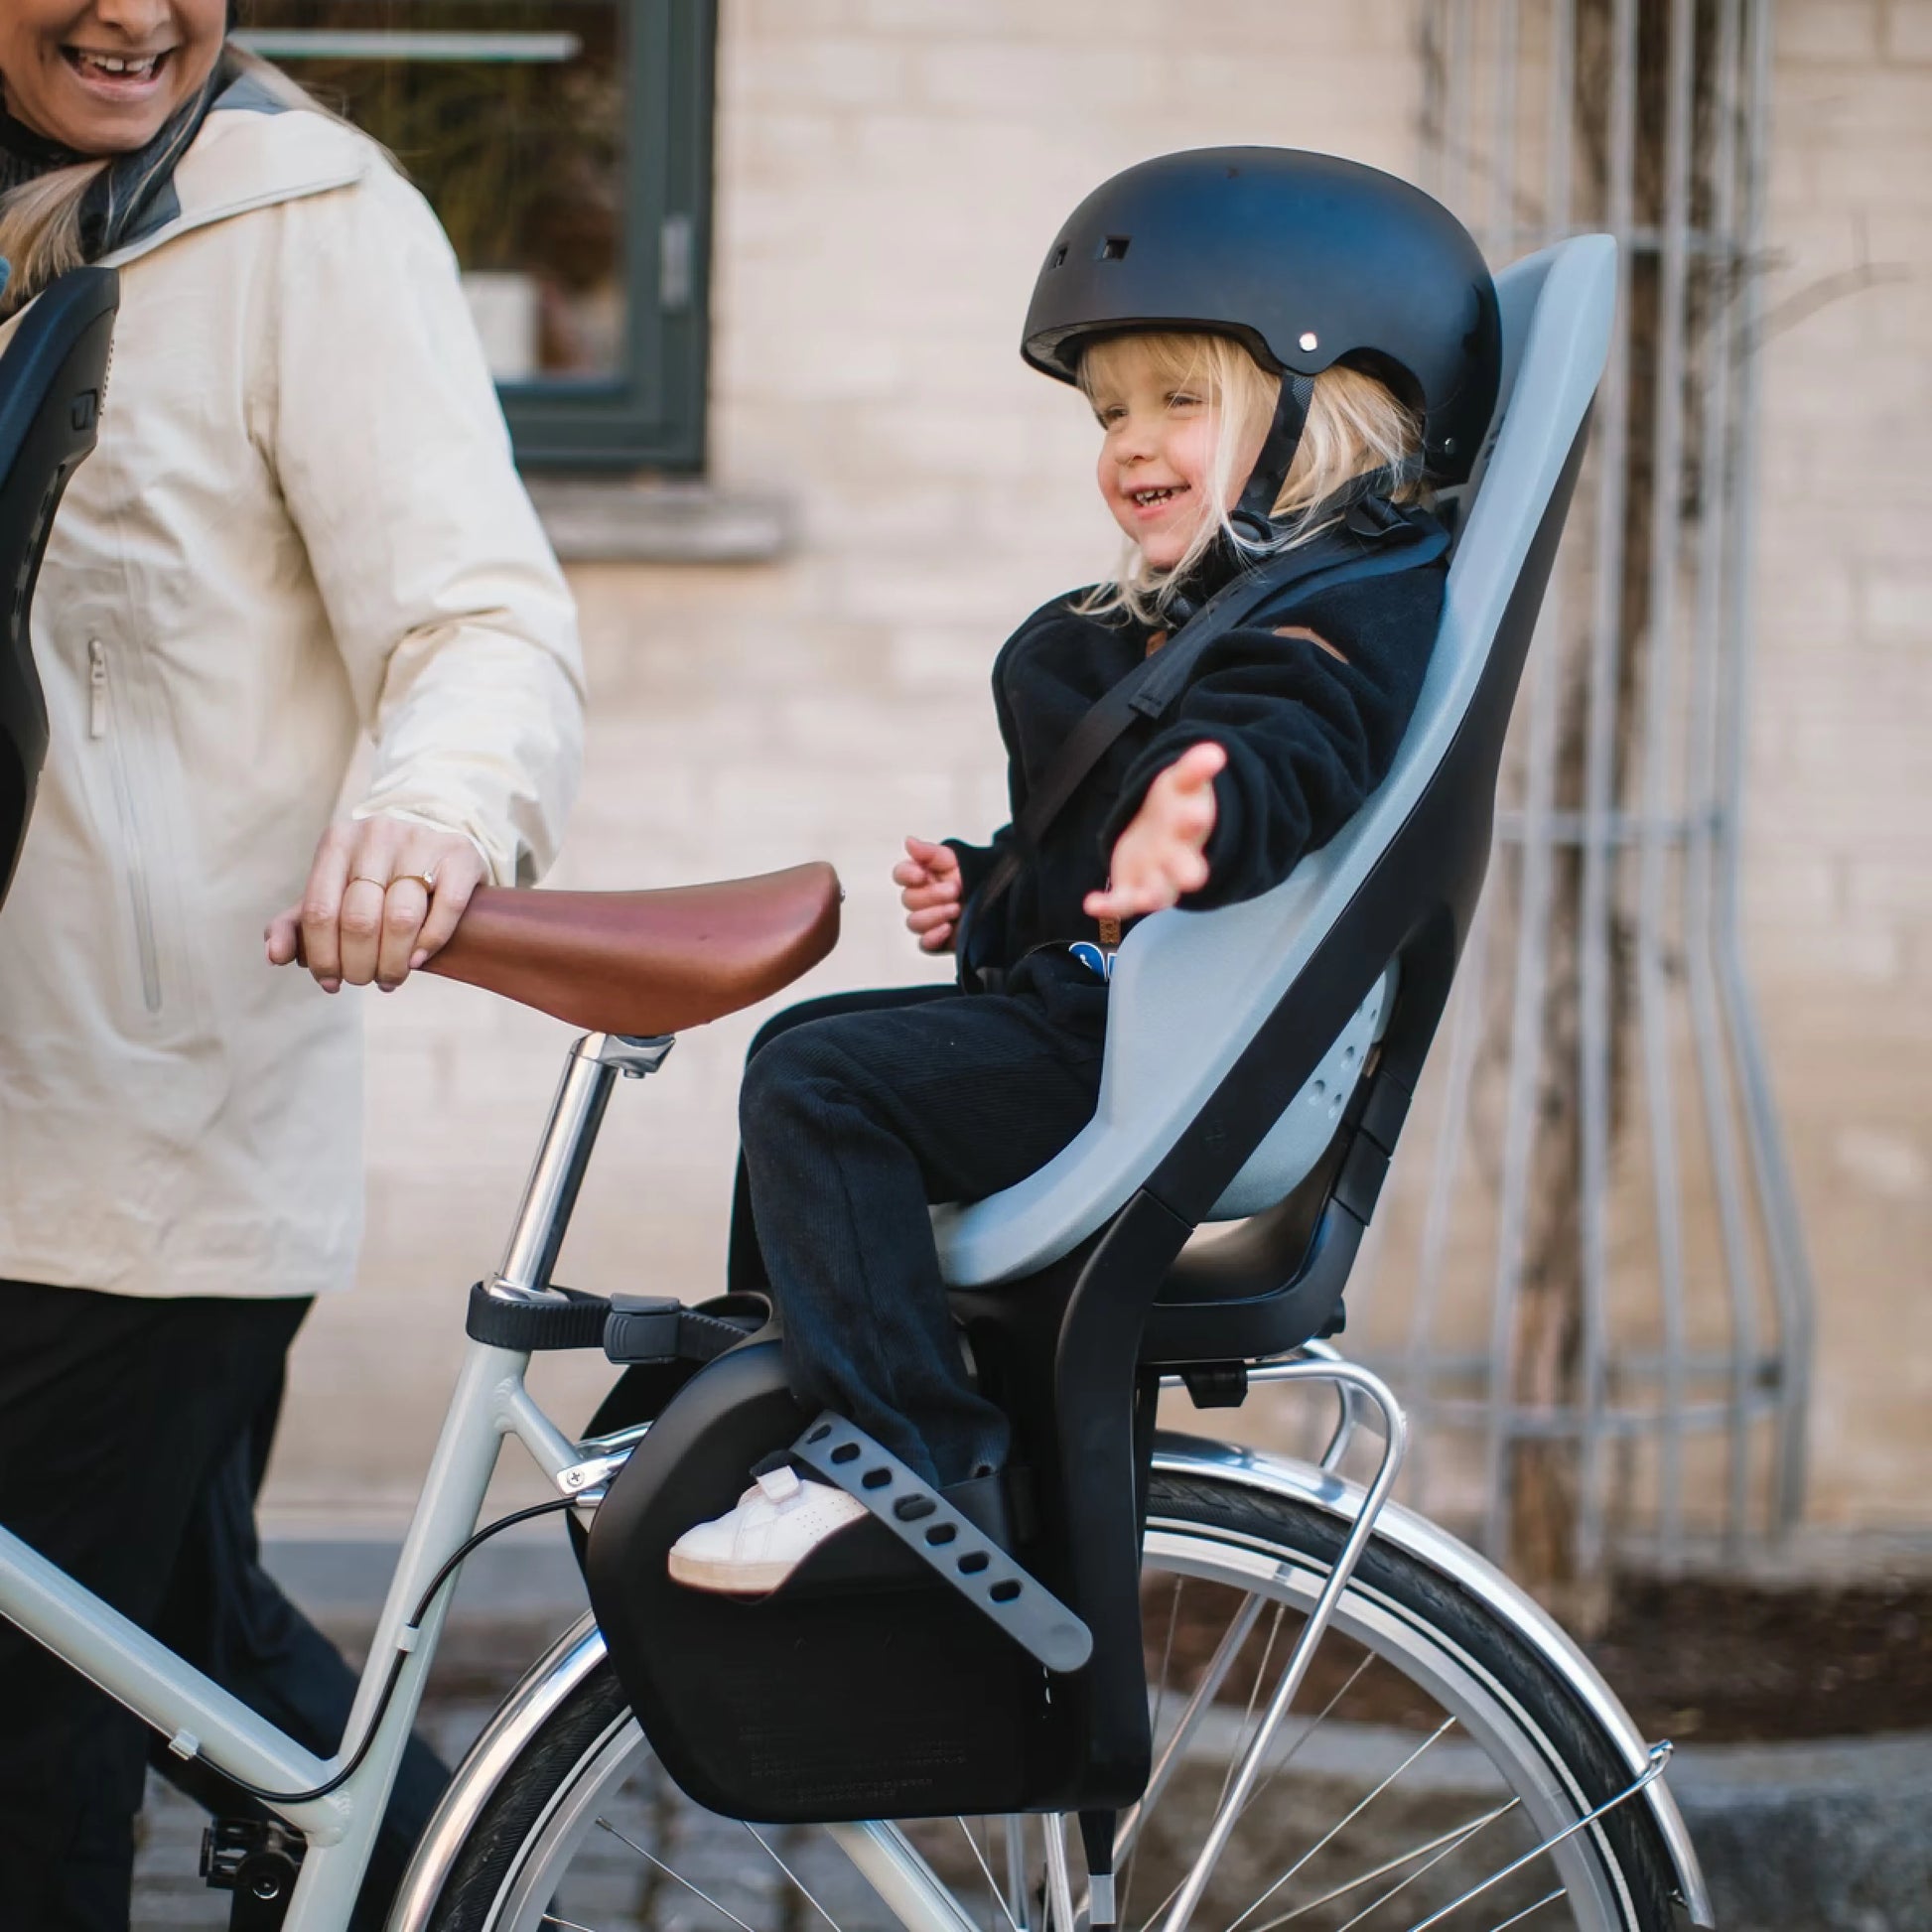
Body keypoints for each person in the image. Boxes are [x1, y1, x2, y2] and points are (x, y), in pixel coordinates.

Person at [668, 148, 1498, 1595]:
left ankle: (899, 1455)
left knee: (821, 1082)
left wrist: (1206, 813)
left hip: (1172, 1055)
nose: (1128, 441)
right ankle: (774, 1394)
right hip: (1116, 1021)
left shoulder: (1332, 610)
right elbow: (1087, 884)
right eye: (1110, 408)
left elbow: (1290, 747)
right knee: (812, 1050)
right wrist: (990, 890)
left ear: (1327, 405)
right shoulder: (1191, 621)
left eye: (1182, 398)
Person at [0, 3, 585, 1925]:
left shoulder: (306, 218)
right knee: (185, 1646)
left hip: (134, 1134)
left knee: (36, 1732)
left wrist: (433, 812)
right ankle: (466, 1889)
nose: (135, 10)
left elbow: (479, 614)